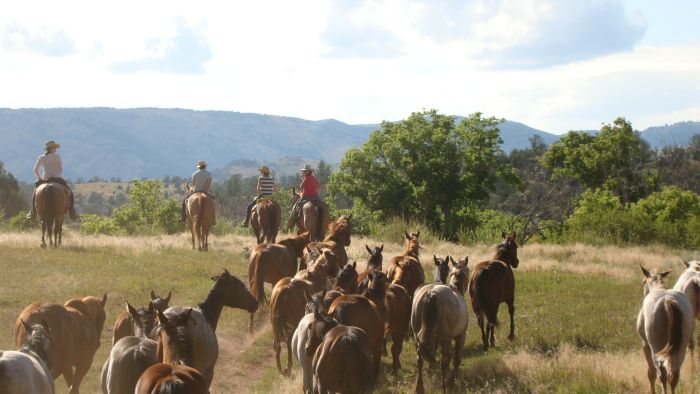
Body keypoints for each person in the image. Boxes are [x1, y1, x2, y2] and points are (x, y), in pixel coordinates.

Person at [27, 140, 79, 220]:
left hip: (45, 179)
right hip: (57, 179)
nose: (56, 149)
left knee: (35, 193)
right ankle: (72, 211)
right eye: (55, 147)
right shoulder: (57, 157)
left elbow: (35, 170)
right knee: (70, 193)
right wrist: (56, 174)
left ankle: (33, 212)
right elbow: (60, 170)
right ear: (51, 148)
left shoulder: (41, 157)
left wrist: (40, 178)